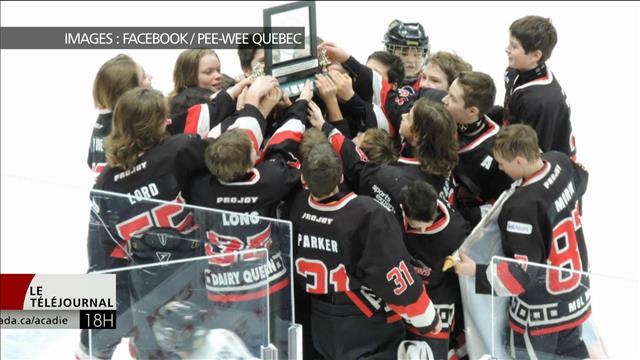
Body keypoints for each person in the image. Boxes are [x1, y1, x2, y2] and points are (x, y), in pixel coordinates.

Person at [77, 87, 209, 359]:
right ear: (157, 123)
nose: (169, 121)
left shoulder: (105, 183)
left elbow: (107, 247)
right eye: (164, 117)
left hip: (145, 289)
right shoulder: (179, 149)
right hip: (189, 279)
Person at [290, 143, 442, 359]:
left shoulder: (297, 207)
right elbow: (394, 275)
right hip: (362, 322)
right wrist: (426, 319)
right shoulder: (366, 213)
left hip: (320, 321)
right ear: (341, 177)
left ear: (304, 180)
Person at [454, 124, 591, 359]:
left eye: (502, 163)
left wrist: (475, 271)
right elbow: (582, 182)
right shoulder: (559, 161)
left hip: (540, 315)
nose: (500, 168)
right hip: (576, 297)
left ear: (518, 161)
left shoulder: (521, 208)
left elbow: (521, 276)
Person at [399, 180, 470, 360]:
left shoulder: (456, 233)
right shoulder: (397, 206)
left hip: (438, 302)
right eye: (417, 225)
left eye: (427, 223)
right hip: (405, 296)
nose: (422, 229)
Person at [443, 71, 513, 225]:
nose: (444, 100)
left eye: (452, 98)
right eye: (448, 93)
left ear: (472, 111)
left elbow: (503, 204)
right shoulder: (446, 117)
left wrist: (465, 217)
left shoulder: (497, 153)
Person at [503, 15, 577, 159]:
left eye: (514, 46)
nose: (507, 49)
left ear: (536, 55)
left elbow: (535, 155)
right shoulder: (513, 70)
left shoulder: (540, 101)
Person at [87, 54, 152, 173]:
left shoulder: (103, 121)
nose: (150, 77)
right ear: (130, 93)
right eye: (143, 77)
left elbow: (91, 162)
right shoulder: (126, 126)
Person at [383, 19, 430, 91]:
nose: (411, 60)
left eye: (417, 54)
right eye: (404, 53)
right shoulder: (380, 80)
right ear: (390, 53)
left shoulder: (428, 86)